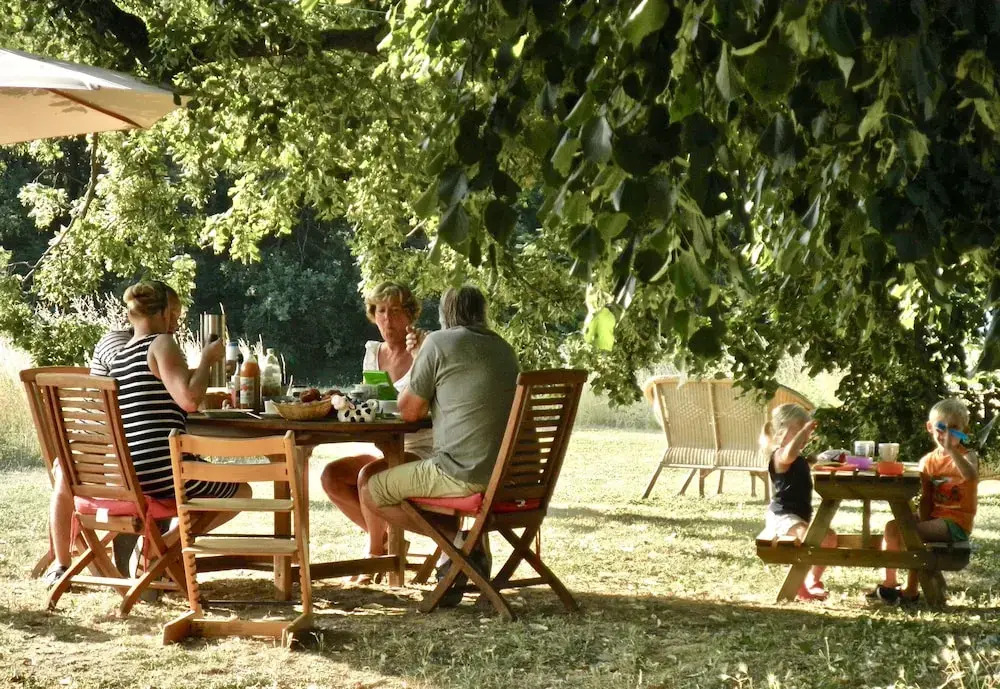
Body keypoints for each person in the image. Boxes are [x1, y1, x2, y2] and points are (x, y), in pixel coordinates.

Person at [42, 281, 250, 586]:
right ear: (163, 312)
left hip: (129, 475)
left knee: (212, 485)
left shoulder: (120, 356)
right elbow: (189, 401)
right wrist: (207, 359)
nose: (176, 323)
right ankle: (159, 548)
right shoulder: (162, 343)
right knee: (242, 492)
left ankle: (158, 549)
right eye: (174, 315)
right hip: (165, 472)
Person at [358, 285, 519, 602]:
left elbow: (409, 412)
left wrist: (421, 359)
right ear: (482, 313)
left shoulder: (438, 343)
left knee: (371, 489)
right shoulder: (504, 348)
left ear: (445, 315)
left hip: (462, 474)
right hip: (513, 478)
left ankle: (461, 545)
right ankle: (463, 551)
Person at [43, 282, 179, 586]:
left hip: (120, 446)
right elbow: (134, 380)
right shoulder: (120, 343)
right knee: (68, 471)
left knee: (157, 461)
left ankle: (155, 559)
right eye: (171, 314)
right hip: (94, 443)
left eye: (177, 316)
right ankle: (62, 562)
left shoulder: (152, 344)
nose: (174, 323)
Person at [319, 282, 434, 569]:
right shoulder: (373, 353)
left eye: (395, 311)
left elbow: (425, 408)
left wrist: (421, 357)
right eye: (381, 311)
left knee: (369, 477)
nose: (387, 319)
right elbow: (368, 405)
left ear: (410, 314)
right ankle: (387, 541)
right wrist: (342, 401)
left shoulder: (426, 348)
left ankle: (373, 557)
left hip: (423, 451)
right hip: (388, 449)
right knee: (332, 476)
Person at [870, 398, 978, 604]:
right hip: (935, 518)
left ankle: (911, 589)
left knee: (910, 533)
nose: (946, 434)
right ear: (930, 427)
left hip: (956, 523)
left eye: (954, 429)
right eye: (941, 428)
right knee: (894, 528)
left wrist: (951, 450)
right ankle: (890, 583)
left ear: (964, 431)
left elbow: (971, 476)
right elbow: (926, 497)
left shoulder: (968, 456)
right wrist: (920, 517)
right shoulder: (927, 461)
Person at [760, 403, 837, 601]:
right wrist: (804, 431)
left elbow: (802, 462)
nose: (805, 437)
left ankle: (813, 580)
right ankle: (799, 585)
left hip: (799, 515)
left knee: (829, 538)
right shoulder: (780, 455)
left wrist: (824, 459)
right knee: (810, 540)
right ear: (781, 432)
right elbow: (790, 454)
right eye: (798, 430)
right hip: (783, 517)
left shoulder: (799, 458)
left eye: (807, 433)